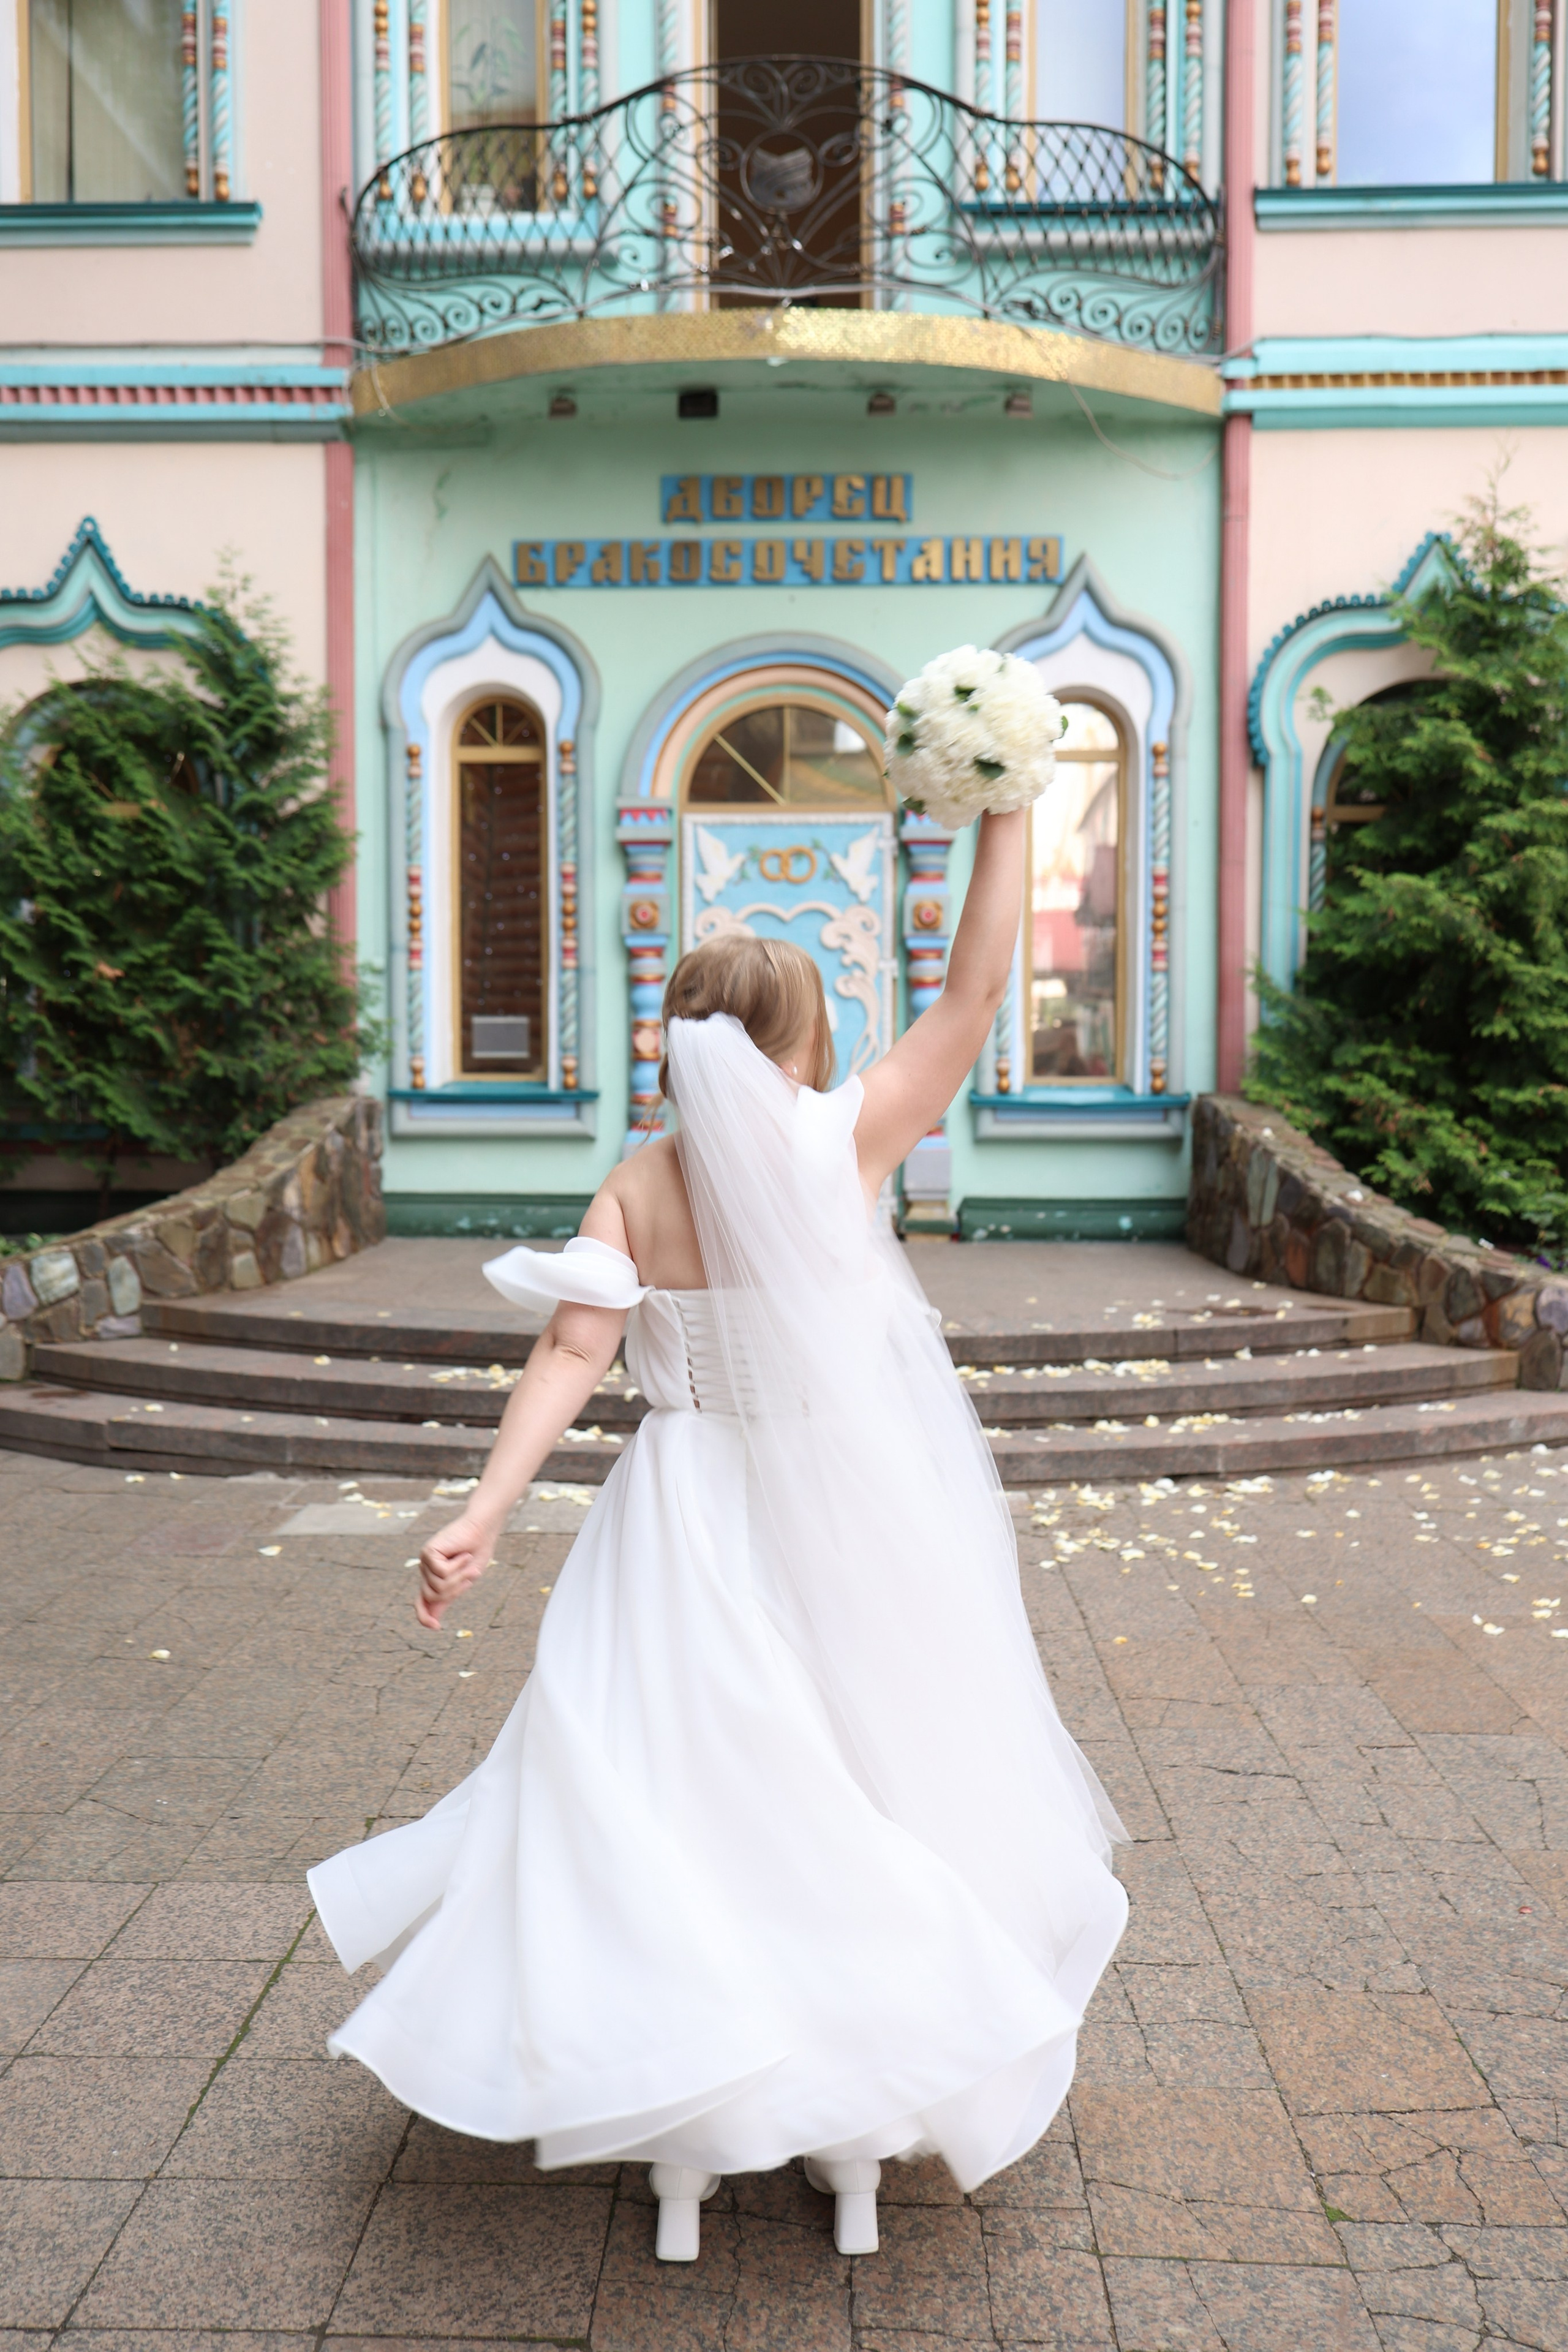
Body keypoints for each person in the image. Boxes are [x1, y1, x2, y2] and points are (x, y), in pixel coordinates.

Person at [307, 807, 1127, 2263]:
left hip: (677, 1517)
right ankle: (854, 2139)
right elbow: (975, 993)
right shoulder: (847, 1141)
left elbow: (569, 1353)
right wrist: (1005, 802)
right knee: (854, 1791)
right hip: (839, 1510)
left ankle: (683, 2142)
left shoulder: (636, 1185)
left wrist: (482, 1515)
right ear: (803, 1043)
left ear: (676, 1042)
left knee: (666, 1798)